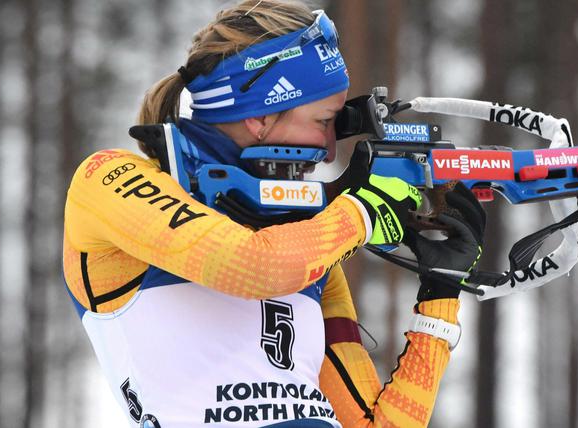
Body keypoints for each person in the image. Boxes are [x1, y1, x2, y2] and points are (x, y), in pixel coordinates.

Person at [62, 1, 485, 427]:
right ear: (261, 115)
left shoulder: (304, 238)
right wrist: (360, 212)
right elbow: (251, 265)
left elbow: (377, 424)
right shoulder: (107, 178)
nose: (328, 150)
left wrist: (440, 296)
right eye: (323, 121)